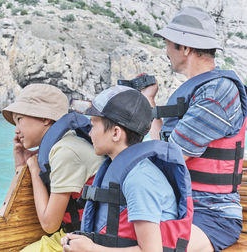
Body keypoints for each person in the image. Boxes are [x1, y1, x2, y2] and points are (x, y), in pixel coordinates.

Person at [141, 6, 247, 252]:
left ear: (186, 48)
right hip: (181, 207)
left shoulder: (217, 92)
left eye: (168, 43)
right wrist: (149, 101)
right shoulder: (201, 91)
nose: (165, 50)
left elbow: (172, 157)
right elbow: (165, 148)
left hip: (212, 216)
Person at [61, 85, 193, 252]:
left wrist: (90, 249)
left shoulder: (139, 179)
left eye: (94, 125)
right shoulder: (128, 170)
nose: (90, 133)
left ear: (116, 133)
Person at [2, 84, 105, 252]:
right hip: (80, 233)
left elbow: (49, 224)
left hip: (88, 239)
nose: (16, 130)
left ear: (45, 118)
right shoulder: (63, 144)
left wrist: (34, 169)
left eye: (19, 119)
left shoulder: (66, 151)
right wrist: (21, 165)